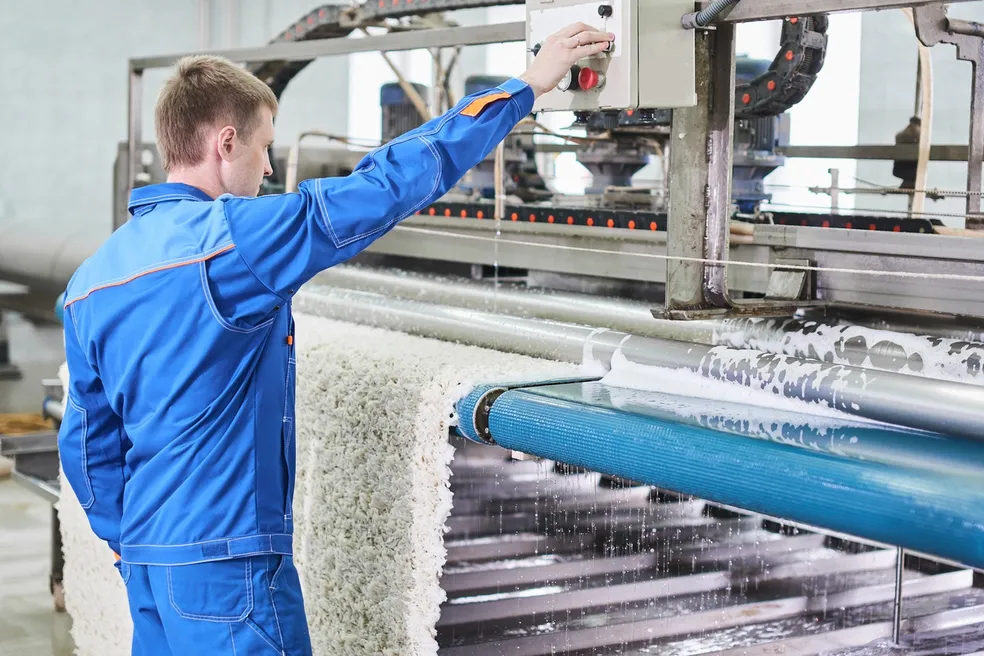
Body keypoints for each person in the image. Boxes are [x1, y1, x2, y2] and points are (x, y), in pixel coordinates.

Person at [57, 22, 614, 655]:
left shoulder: (89, 282)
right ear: (226, 141)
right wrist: (526, 87)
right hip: (229, 567)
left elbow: (85, 448)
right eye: (265, 147)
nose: (269, 166)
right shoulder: (237, 242)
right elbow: (384, 186)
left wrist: (135, 542)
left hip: (150, 569)